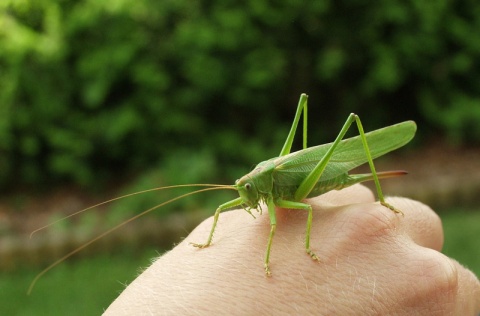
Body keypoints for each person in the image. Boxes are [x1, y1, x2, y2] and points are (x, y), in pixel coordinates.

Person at [104, 184, 480, 315]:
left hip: (305, 181)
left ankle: (382, 196)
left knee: (281, 222)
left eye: (248, 192)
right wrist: (208, 242)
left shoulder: (278, 194)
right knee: (227, 210)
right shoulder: (247, 194)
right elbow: (225, 209)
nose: (245, 199)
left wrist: (293, 252)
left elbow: (284, 221)